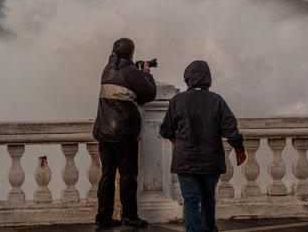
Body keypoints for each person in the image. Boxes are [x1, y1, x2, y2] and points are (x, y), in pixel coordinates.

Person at [159, 60, 246, 232]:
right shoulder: (217, 100)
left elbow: (165, 130)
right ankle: (208, 228)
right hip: (211, 159)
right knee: (208, 198)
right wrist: (239, 149)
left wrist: (179, 143)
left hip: (185, 160)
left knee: (191, 199)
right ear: (208, 78)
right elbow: (231, 129)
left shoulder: (177, 100)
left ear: (187, 78)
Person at [93, 38, 157, 228]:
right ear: (131, 53)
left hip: (104, 131)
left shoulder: (107, 69)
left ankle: (103, 217)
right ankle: (129, 215)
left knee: (107, 176)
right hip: (123, 133)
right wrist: (146, 73)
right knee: (128, 177)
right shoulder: (130, 71)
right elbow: (149, 93)